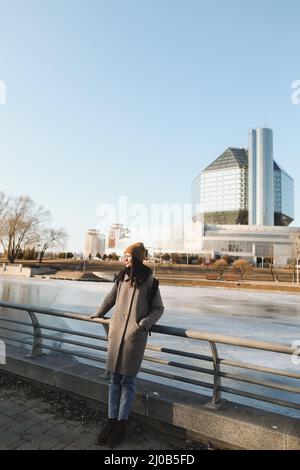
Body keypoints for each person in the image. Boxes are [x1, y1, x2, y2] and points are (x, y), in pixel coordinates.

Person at [90, 242, 164, 448]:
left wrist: (142, 325)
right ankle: (111, 420)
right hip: (116, 335)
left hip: (134, 338)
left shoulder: (150, 282)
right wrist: (98, 313)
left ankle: (122, 423)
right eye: (124, 255)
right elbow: (110, 299)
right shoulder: (122, 277)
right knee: (114, 378)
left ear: (137, 258)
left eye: (128, 255)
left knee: (128, 381)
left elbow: (158, 309)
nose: (124, 258)